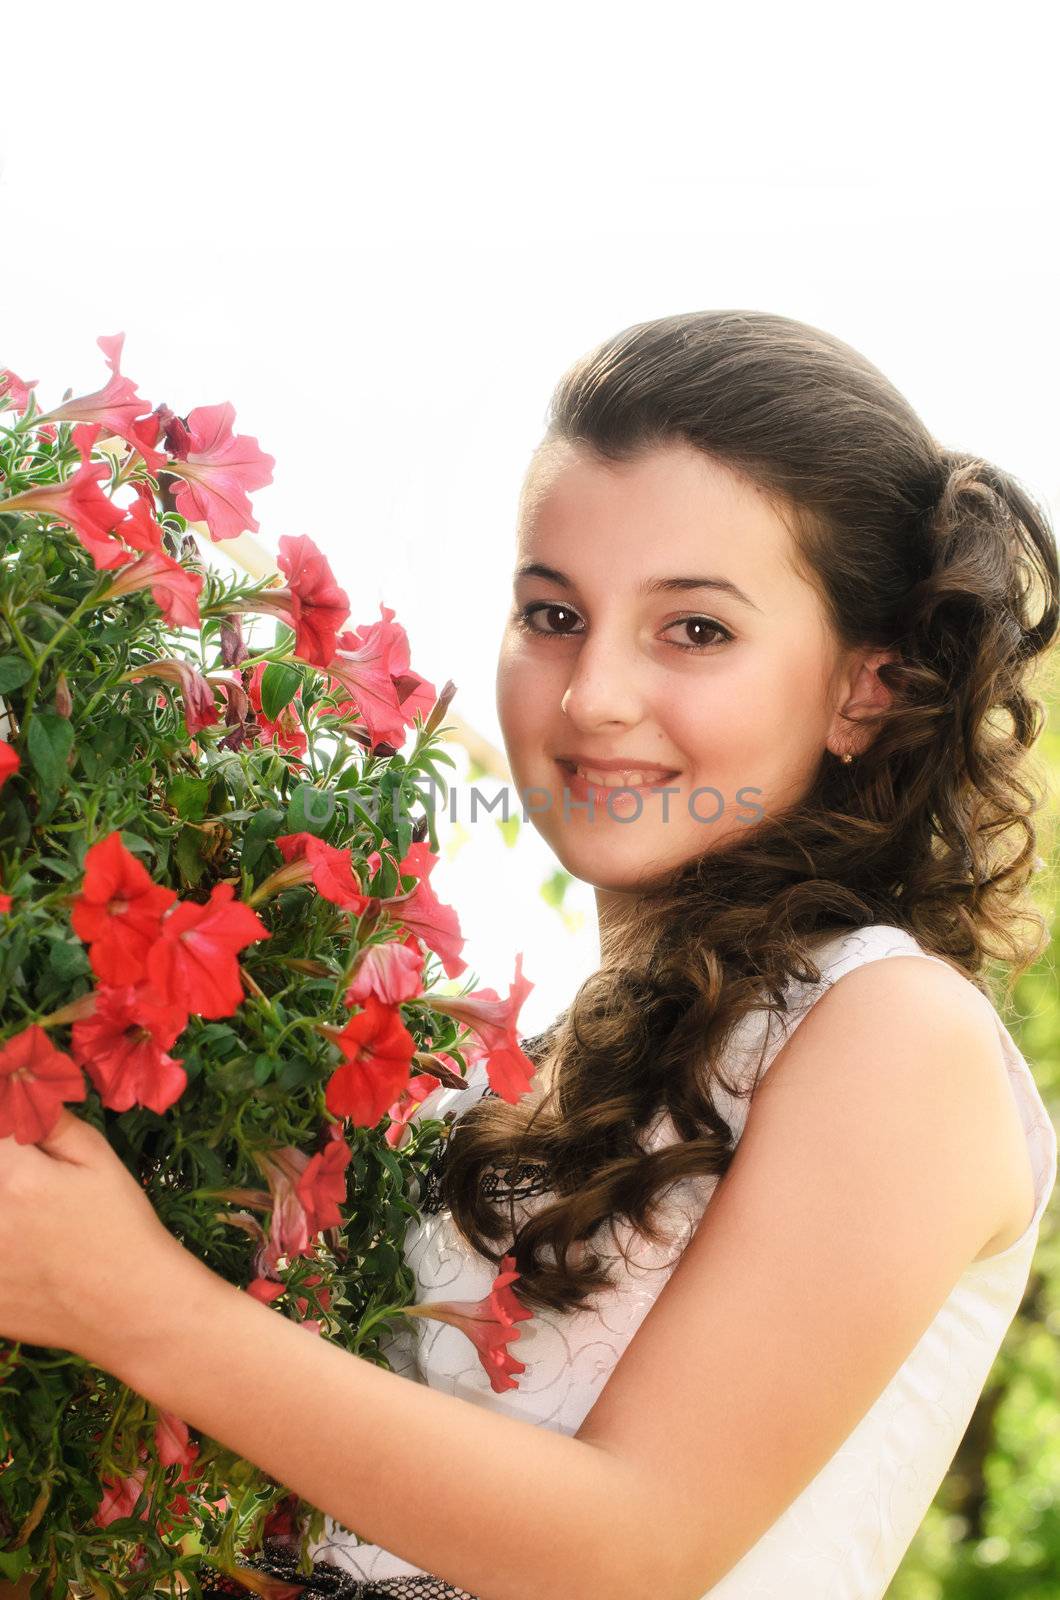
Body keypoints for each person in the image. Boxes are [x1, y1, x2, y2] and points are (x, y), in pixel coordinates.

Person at [0, 309, 1056, 1600]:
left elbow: (635, 1546)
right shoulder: (530, 1066)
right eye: (553, 611)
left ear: (865, 688)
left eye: (696, 630)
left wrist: (133, 1305)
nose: (591, 692)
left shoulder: (896, 1031)